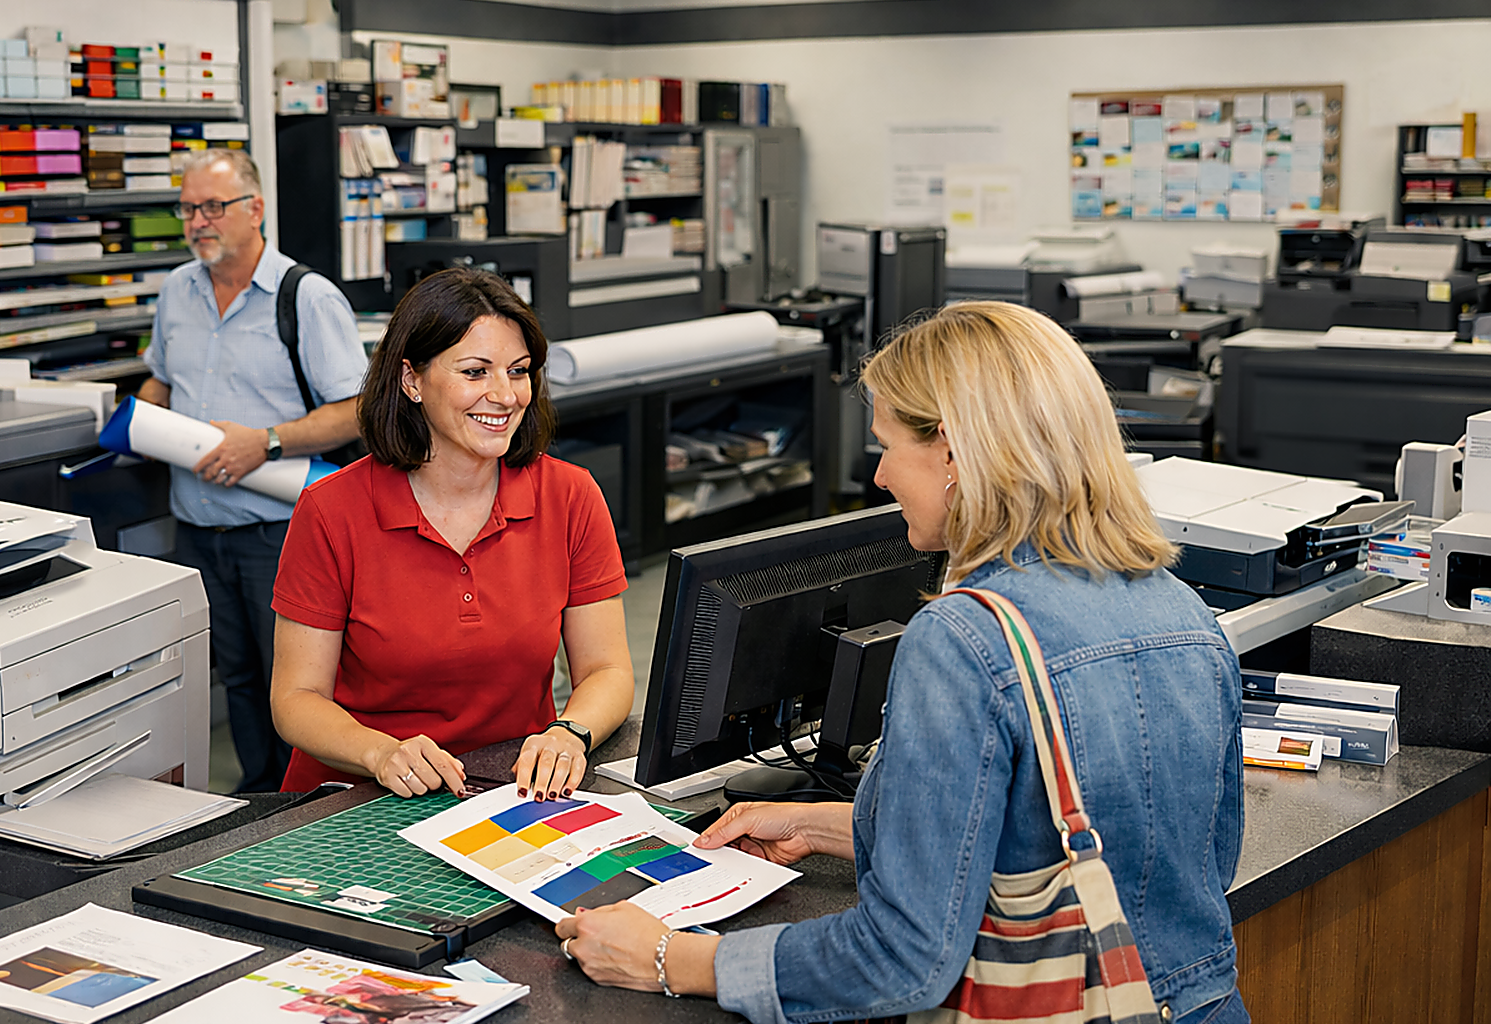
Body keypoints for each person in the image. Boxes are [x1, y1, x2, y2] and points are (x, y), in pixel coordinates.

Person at [556, 301, 1248, 1024]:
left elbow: (903, 958)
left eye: (887, 444)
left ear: (952, 451)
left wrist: (674, 959)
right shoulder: (1185, 612)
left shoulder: (965, 639)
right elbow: (1179, 860)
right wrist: (839, 826)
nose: (880, 476)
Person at [269, 267, 635, 800]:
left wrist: (569, 732)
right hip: (358, 800)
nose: (505, 395)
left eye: (518, 370)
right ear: (411, 379)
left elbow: (607, 669)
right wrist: (379, 751)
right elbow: (296, 698)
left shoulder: (570, 495)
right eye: (475, 372)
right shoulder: (331, 510)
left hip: (511, 789)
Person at [138, 148, 368, 793]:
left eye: (213, 206)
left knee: (294, 682)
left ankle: (304, 804)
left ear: (255, 208)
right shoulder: (175, 292)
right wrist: (128, 421)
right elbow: (162, 377)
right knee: (234, 673)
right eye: (188, 209)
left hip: (281, 531)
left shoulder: (306, 297)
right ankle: (259, 793)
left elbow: (356, 410)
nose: (198, 221)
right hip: (197, 528)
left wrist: (264, 441)